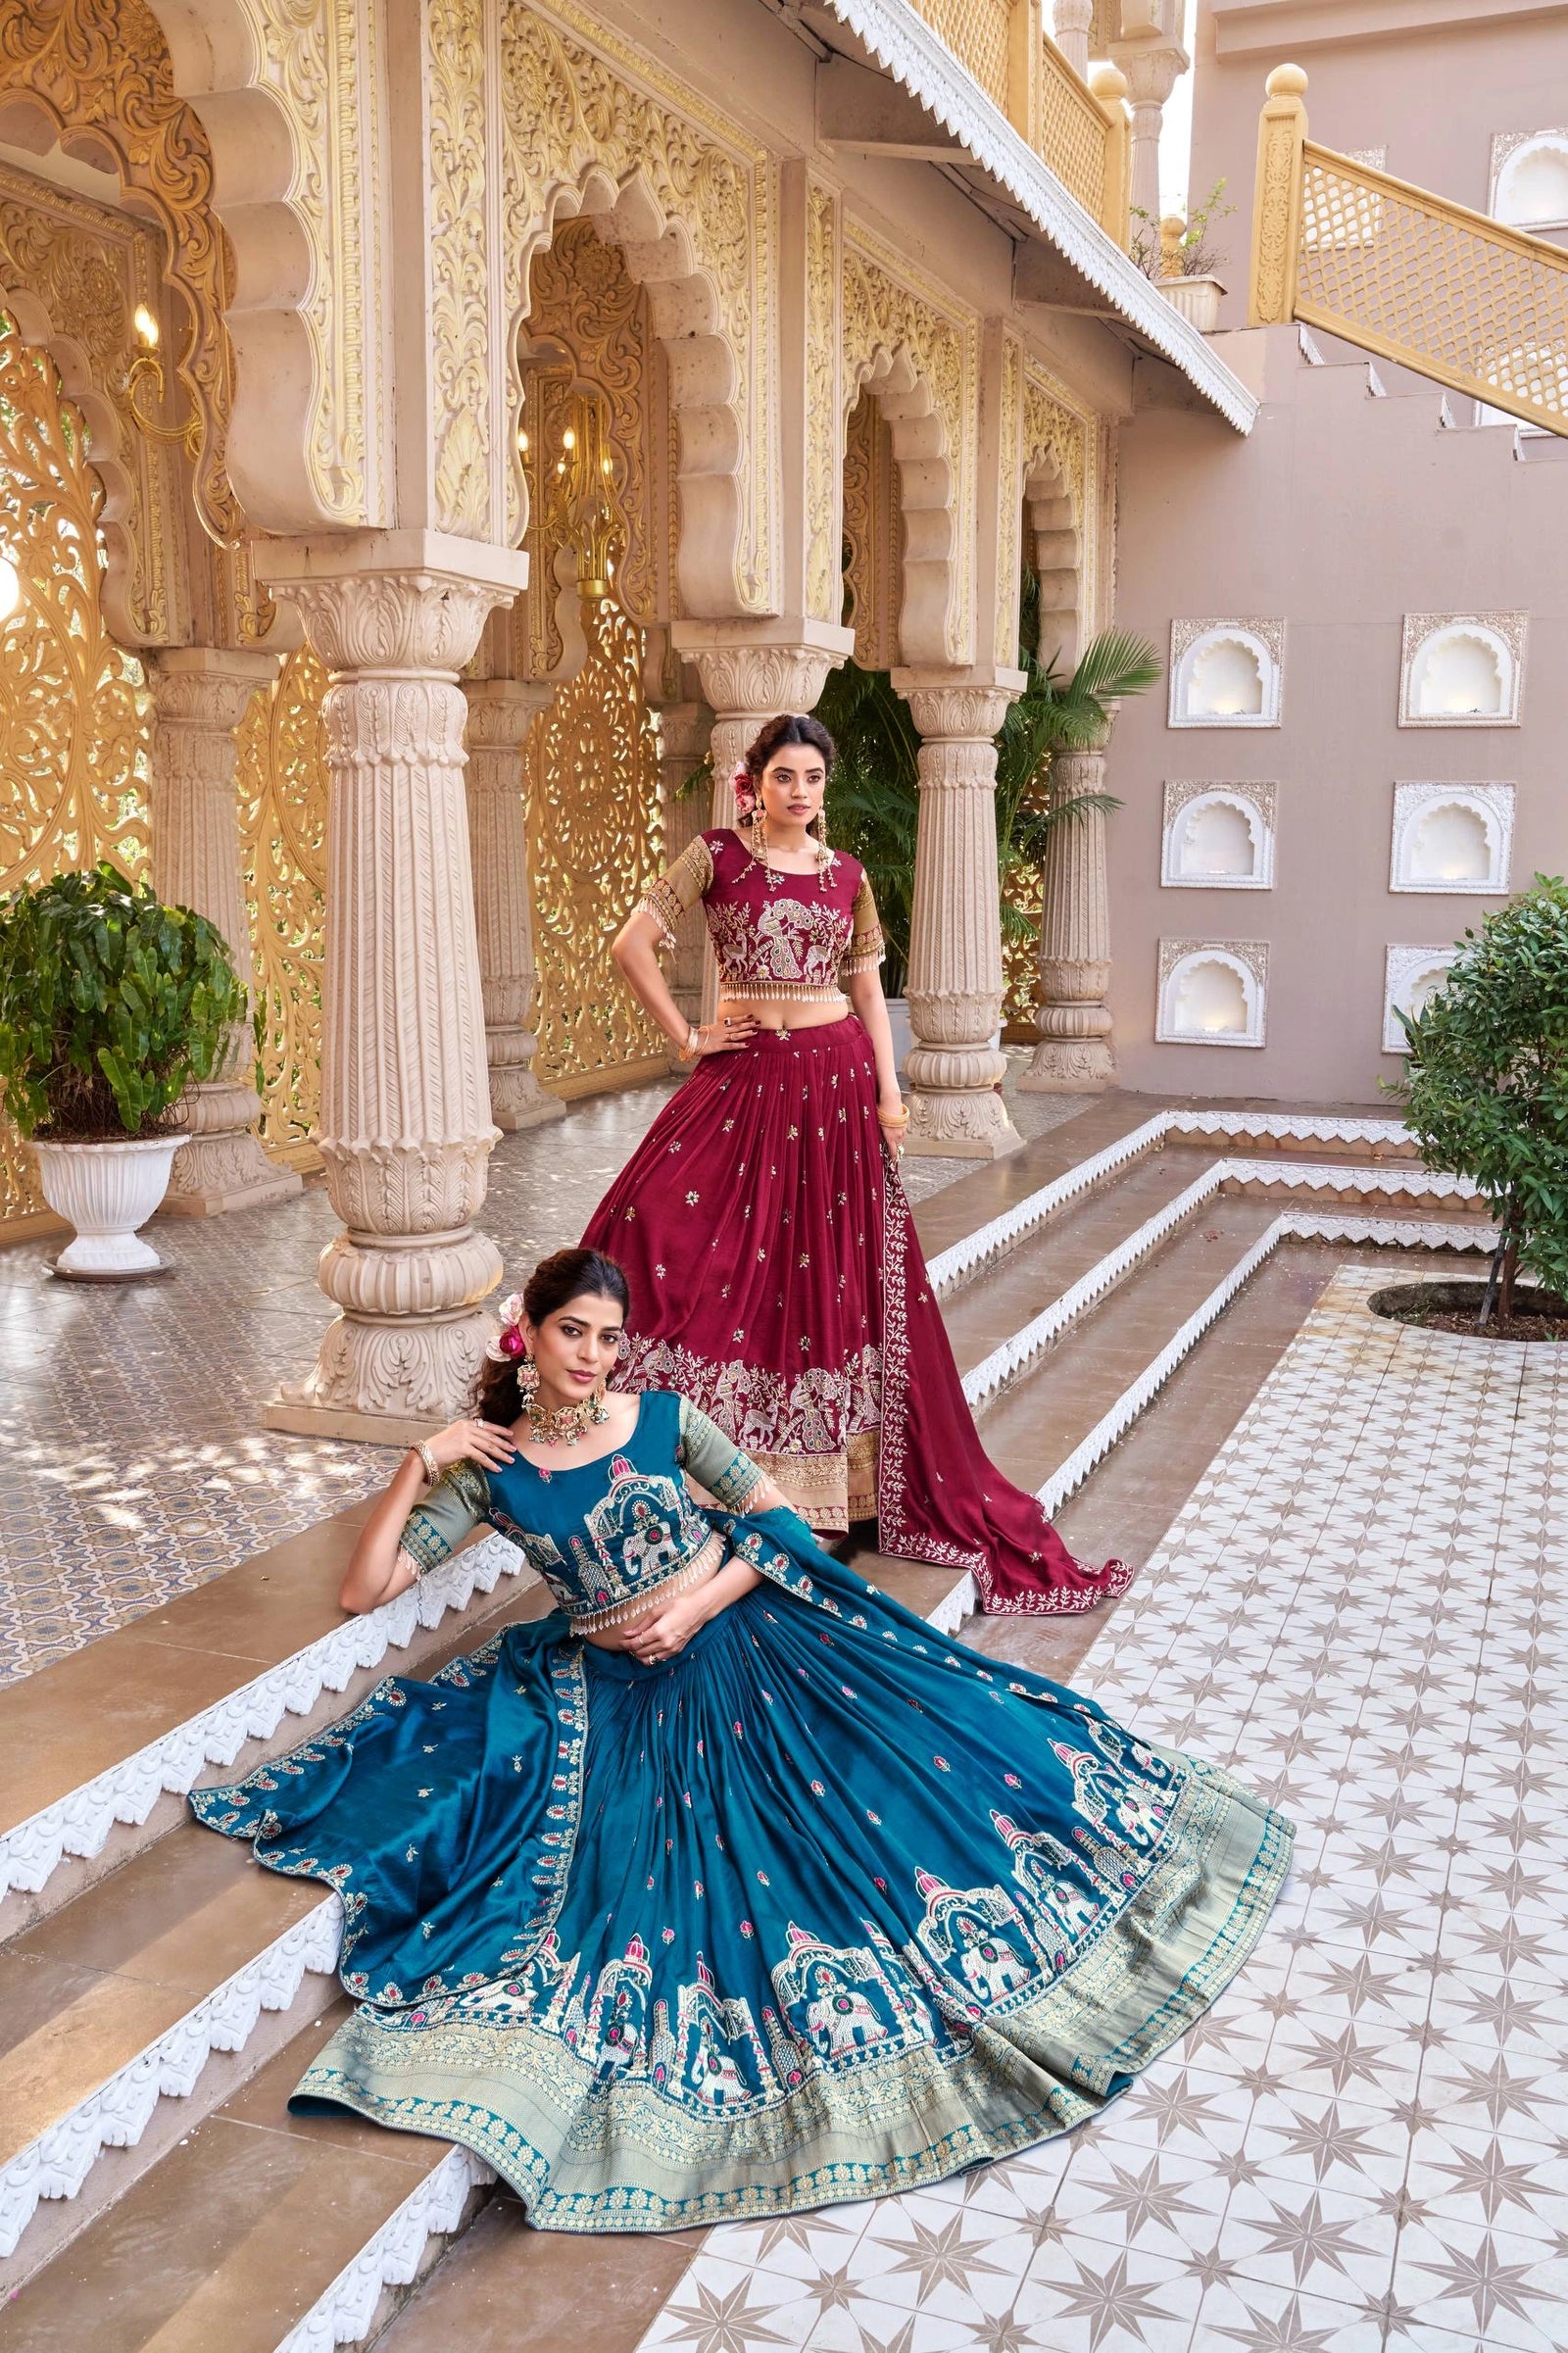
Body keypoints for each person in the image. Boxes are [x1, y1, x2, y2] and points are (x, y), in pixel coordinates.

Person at [192, 1248, 1293, 2234]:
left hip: (747, 1633)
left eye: (608, 1335)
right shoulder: (493, 1469)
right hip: (619, 1695)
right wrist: (415, 1463)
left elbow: (777, 1520)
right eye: (572, 1329)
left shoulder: (666, 1419)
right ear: (525, 1332)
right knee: (654, 1894)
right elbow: (362, 1586)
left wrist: (696, 1605)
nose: (593, 1354)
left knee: (914, 1794)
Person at [583, 710, 1131, 1615]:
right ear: (753, 781)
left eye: (813, 779)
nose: (800, 793)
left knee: (821, 1277)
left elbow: (870, 989)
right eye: (784, 776)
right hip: (745, 1080)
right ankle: (691, 1449)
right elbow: (628, 945)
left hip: (835, 1089)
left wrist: (888, 1093)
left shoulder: (848, 875)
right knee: (674, 1234)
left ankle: (828, 1480)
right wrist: (688, 1036)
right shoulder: (715, 857)